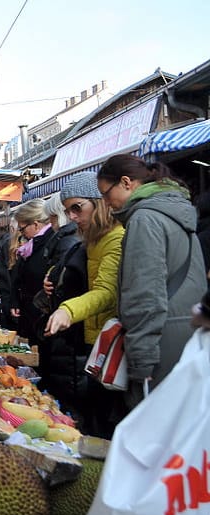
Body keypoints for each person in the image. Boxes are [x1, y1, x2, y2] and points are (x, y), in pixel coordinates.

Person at [97, 154, 207, 409]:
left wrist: (141, 358)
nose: (106, 203)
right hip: (187, 335)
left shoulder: (144, 219)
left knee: (152, 422)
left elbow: (144, 294)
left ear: (126, 182)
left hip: (159, 344)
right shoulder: (175, 211)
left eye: (105, 194)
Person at [43, 173, 123, 437]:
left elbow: (107, 292)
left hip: (106, 343)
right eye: (68, 211)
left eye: (77, 207)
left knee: (102, 419)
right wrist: (53, 275)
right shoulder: (92, 239)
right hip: (88, 341)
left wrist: (68, 310)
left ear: (98, 202)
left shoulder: (116, 238)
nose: (73, 216)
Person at [9, 199, 52, 343]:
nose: (22, 234)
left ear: (36, 224)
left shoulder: (50, 243)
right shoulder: (32, 246)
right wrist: (15, 300)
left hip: (39, 315)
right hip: (29, 312)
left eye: (22, 229)